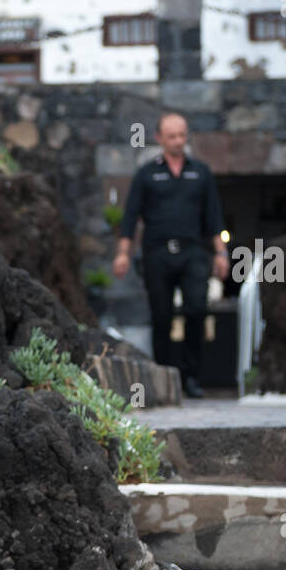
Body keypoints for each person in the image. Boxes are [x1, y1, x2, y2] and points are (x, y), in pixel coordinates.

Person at [112, 112, 229, 398]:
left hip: (192, 253)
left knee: (196, 311)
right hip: (157, 253)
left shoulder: (200, 172)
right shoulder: (147, 173)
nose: (179, 141)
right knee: (161, 316)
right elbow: (130, 218)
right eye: (172, 136)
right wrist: (123, 254)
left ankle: (191, 378)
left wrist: (221, 253)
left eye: (182, 135)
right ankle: (164, 377)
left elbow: (214, 216)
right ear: (159, 138)